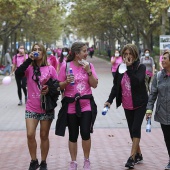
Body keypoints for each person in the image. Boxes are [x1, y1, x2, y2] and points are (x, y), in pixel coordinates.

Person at [15, 43, 59, 170]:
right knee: (30, 134)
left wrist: (48, 89)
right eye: (34, 50)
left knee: (44, 135)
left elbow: (57, 87)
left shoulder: (50, 69)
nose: (37, 52)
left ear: (44, 53)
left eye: (39, 50)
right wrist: (29, 59)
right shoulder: (28, 68)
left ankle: (43, 162)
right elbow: (18, 73)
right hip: (31, 107)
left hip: (46, 107)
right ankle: (34, 160)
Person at [104, 44, 148, 169]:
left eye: (130, 54)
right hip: (127, 104)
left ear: (135, 55)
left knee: (135, 128)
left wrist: (129, 68)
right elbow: (116, 86)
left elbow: (137, 82)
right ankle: (138, 154)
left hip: (140, 103)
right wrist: (109, 100)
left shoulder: (141, 67)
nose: (128, 56)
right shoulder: (120, 67)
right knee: (131, 131)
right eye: (126, 54)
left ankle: (132, 158)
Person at [55, 42, 98, 170]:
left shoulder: (89, 65)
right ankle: (73, 162)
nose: (87, 53)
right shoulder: (65, 66)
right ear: (76, 53)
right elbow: (58, 86)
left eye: (86, 51)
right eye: (84, 51)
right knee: (73, 135)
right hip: (71, 105)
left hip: (86, 104)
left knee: (85, 132)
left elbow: (95, 85)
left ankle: (86, 160)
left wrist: (89, 72)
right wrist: (66, 82)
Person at [146, 50, 170, 170]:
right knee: (168, 138)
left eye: (165, 58)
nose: (162, 60)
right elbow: (153, 95)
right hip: (163, 113)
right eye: (162, 58)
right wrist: (149, 110)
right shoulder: (158, 76)